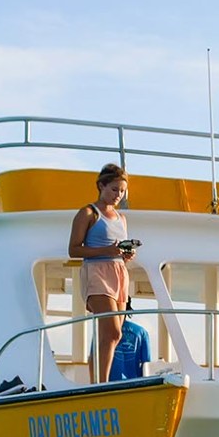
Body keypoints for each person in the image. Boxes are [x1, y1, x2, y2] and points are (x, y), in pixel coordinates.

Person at [69, 163, 134, 383]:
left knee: (111, 336)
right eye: (114, 189)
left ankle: (98, 381)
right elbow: (74, 249)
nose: (119, 195)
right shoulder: (88, 212)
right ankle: (101, 384)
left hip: (119, 273)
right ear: (101, 186)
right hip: (97, 272)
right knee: (113, 332)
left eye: (122, 191)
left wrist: (125, 254)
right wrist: (107, 250)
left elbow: (117, 248)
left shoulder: (122, 218)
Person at [108, 308, 151, 382]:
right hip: (133, 385)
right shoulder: (142, 332)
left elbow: (94, 359)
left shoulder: (101, 332)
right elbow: (145, 364)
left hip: (110, 385)